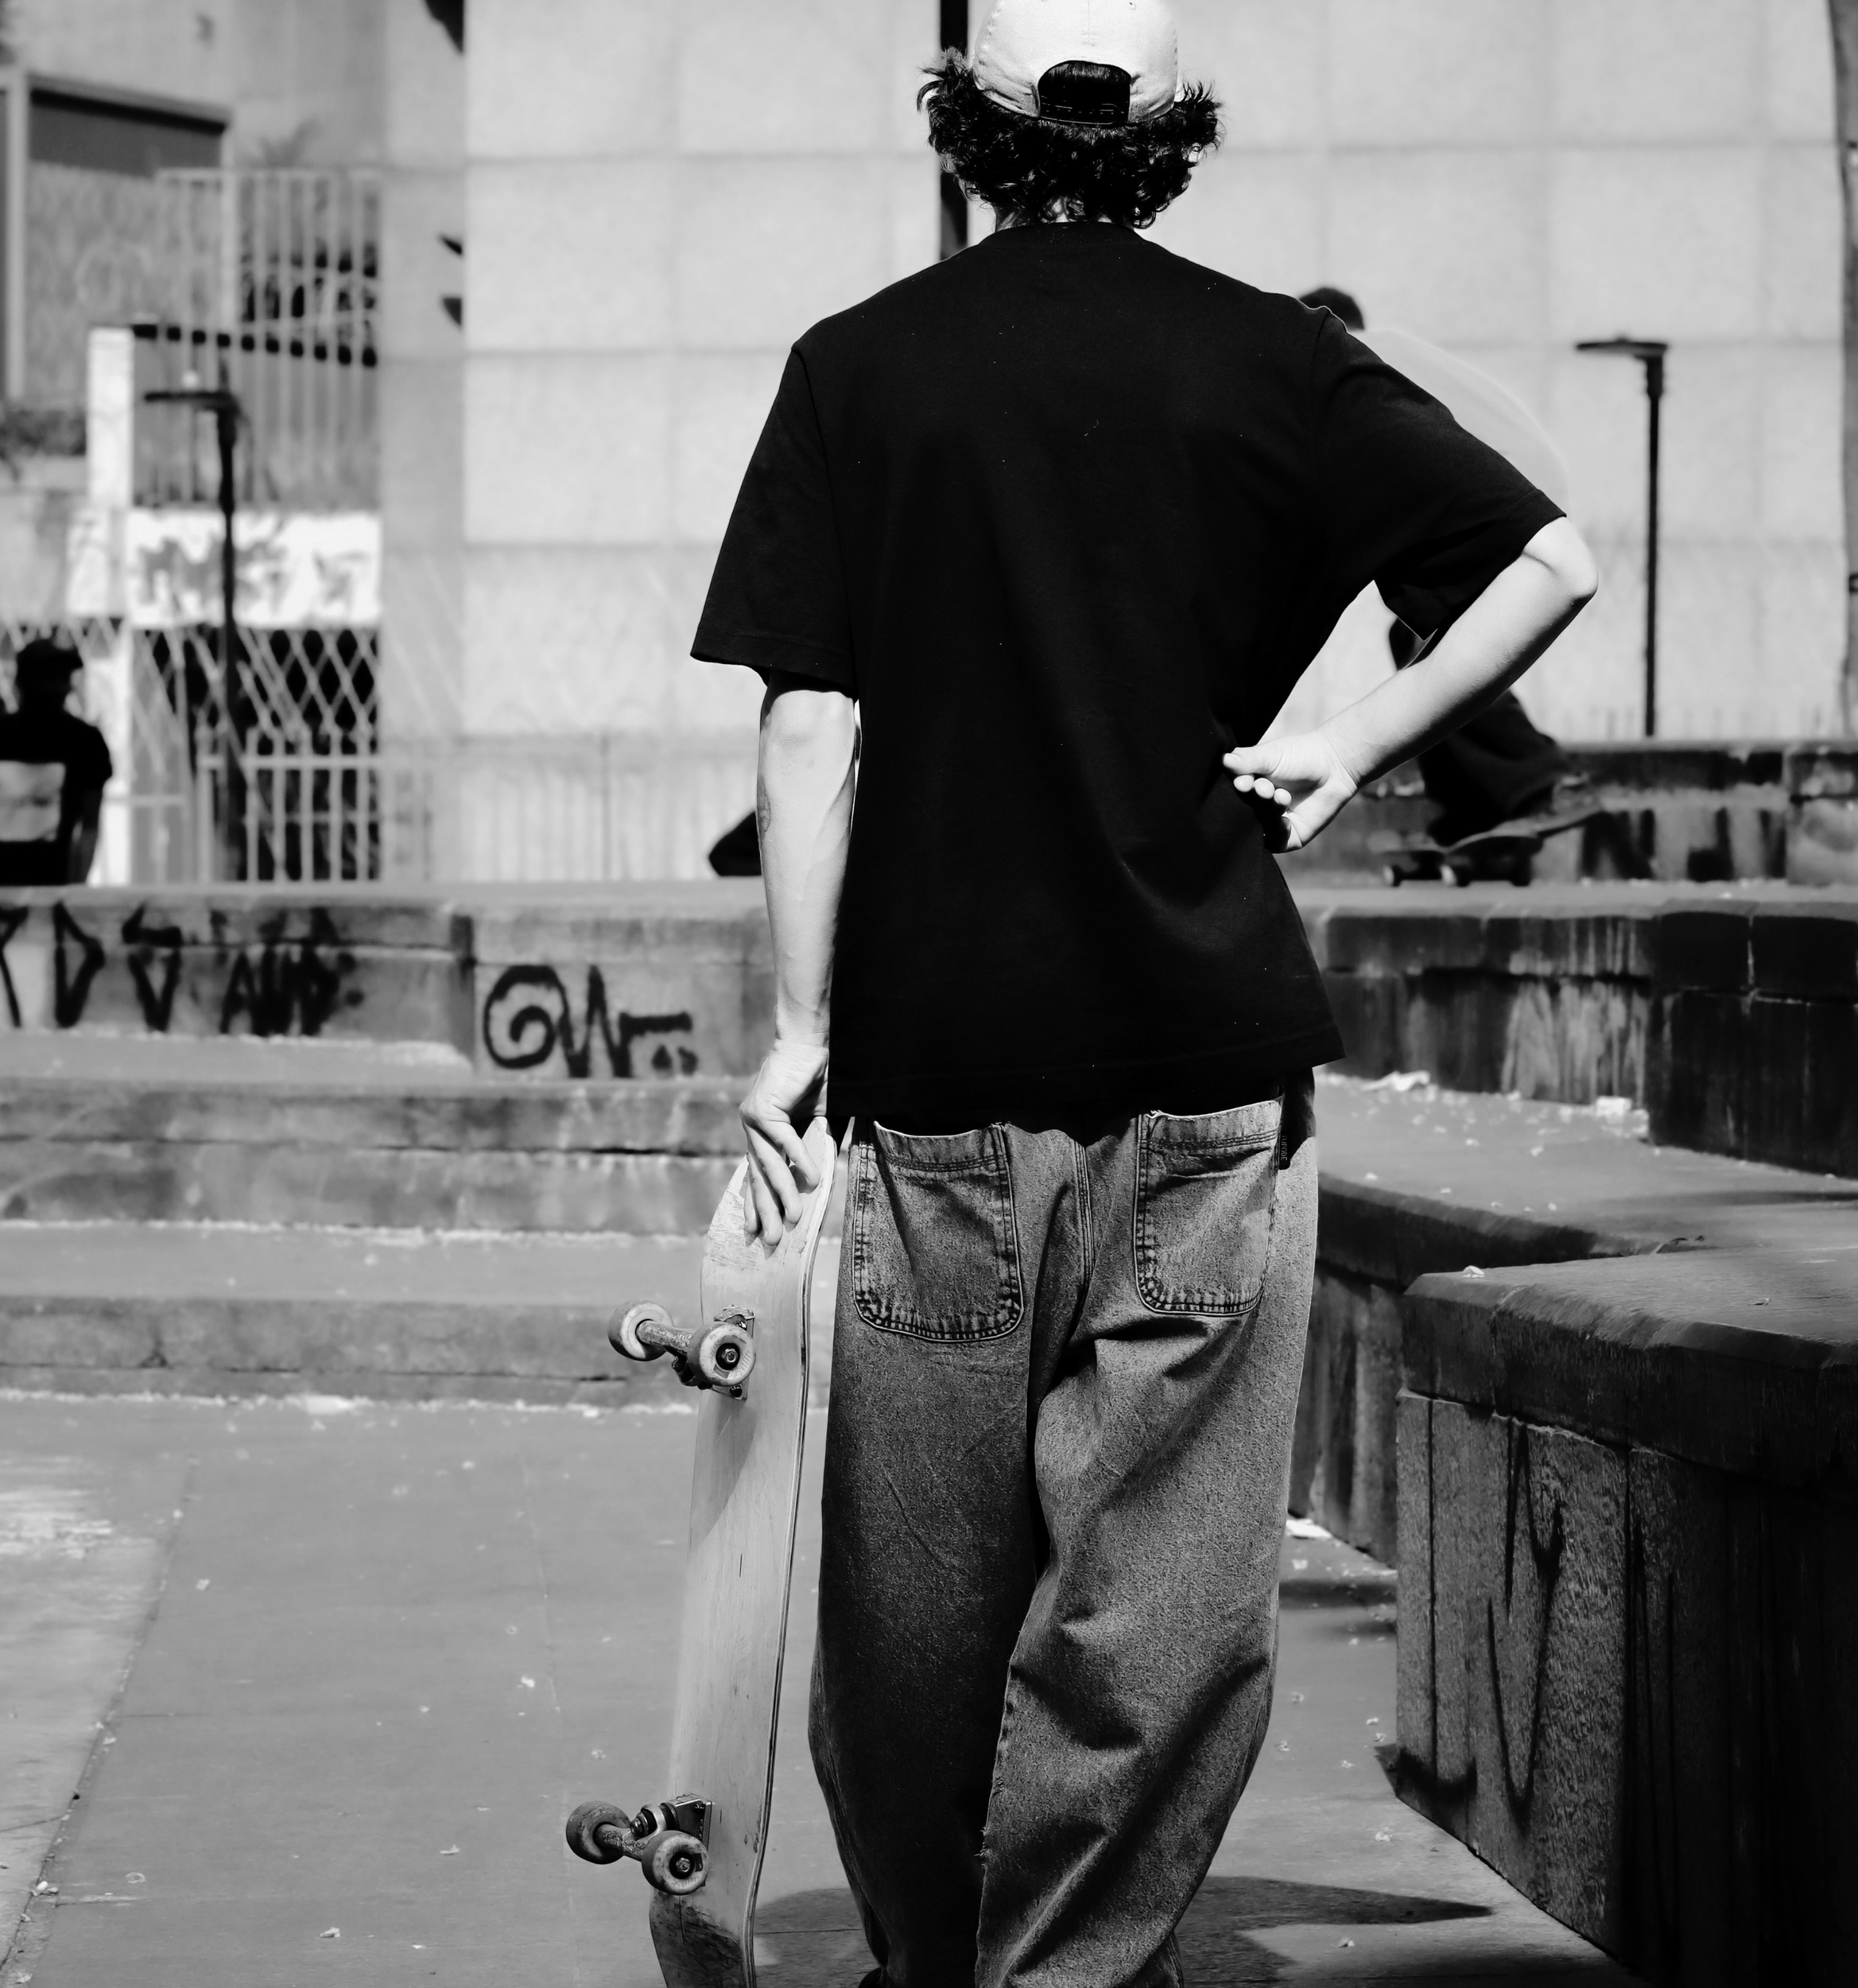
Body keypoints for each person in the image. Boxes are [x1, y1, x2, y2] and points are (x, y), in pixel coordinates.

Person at [692, 3, 1596, 1981]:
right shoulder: (1276, 360)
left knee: (913, 1604)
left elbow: (808, 724)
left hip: (938, 1071)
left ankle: (936, 1954)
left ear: (969, 124)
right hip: (1207, 1068)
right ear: (1168, 131)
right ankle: (1070, 1964)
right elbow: (1548, 556)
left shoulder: (858, 366)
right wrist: (1353, 740)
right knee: (1165, 1599)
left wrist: (800, 1031)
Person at [1301, 285, 1572, 845]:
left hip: (1503, 495)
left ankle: (1543, 781)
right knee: (1421, 640)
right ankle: (1469, 805)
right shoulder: (1395, 350)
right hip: (1520, 487)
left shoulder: (1356, 359)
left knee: (1447, 646)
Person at [0, 638, 111, 887]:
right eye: (47, 677)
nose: (55, 687)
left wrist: (75, 888)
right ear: (23, 682)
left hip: (49, 888)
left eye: (61, 677)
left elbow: (90, 824)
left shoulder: (84, 743)